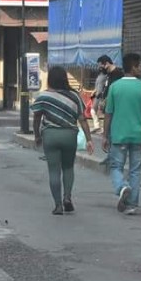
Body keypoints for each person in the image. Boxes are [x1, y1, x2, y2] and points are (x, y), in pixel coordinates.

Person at [31, 66, 94, 215]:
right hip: (69, 135)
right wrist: (89, 139)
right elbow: (83, 119)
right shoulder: (75, 96)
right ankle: (67, 197)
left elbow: (36, 117)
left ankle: (58, 205)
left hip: (50, 135)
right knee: (68, 168)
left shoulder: (43, 96)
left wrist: (37, 136)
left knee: (54, 171)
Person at [103, 53, 141, 215]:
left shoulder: (114, 87)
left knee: (116, 166)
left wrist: (105, 135)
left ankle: (121, 186)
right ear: (133, 67)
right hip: (139, 136)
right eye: (139, 66)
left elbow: (108, 113)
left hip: (118, 135)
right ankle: (132, 203)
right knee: (135, 170)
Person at [90, 55, 124, 132]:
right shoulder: (109, 74)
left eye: (101, 66)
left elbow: (116, 91)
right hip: (108, 106)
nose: (100, 68)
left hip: (115, 107)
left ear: (107, 64)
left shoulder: (118, 74)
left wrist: (105, 100)